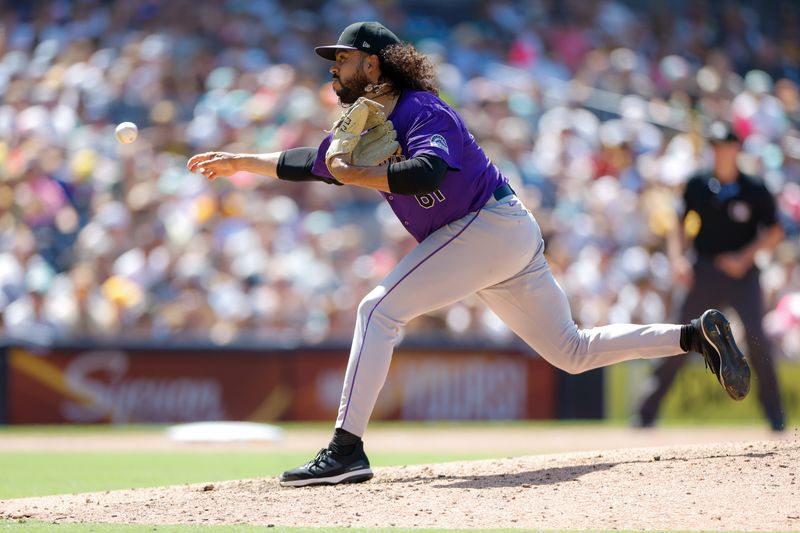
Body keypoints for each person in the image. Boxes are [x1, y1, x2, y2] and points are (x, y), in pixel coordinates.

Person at [187, 21, 751, 487]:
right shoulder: (373, 122)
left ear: (376, 64)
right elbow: (312, 161)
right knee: (572, 351)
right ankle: (692, 334)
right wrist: (243, 160)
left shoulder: (421, 110)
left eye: (345, 58)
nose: (334, 68)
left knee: (376, 311)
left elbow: (428, 170)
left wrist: (359, 174)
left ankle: (346, 448)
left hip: (485, 226)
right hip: (499, 238)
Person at [636, 122, 786, 432]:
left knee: (758, 338)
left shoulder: (755, 187)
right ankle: (646, 413)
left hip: (742, 275)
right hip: (703, 271)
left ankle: (775, 416)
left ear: (736, 148)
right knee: (680, 337)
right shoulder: (697, 184)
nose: (720, 152)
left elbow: (775, 232)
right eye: (715, 146)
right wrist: (678, 258)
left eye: (726, 145)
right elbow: (678, 222)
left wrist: (743, 258)